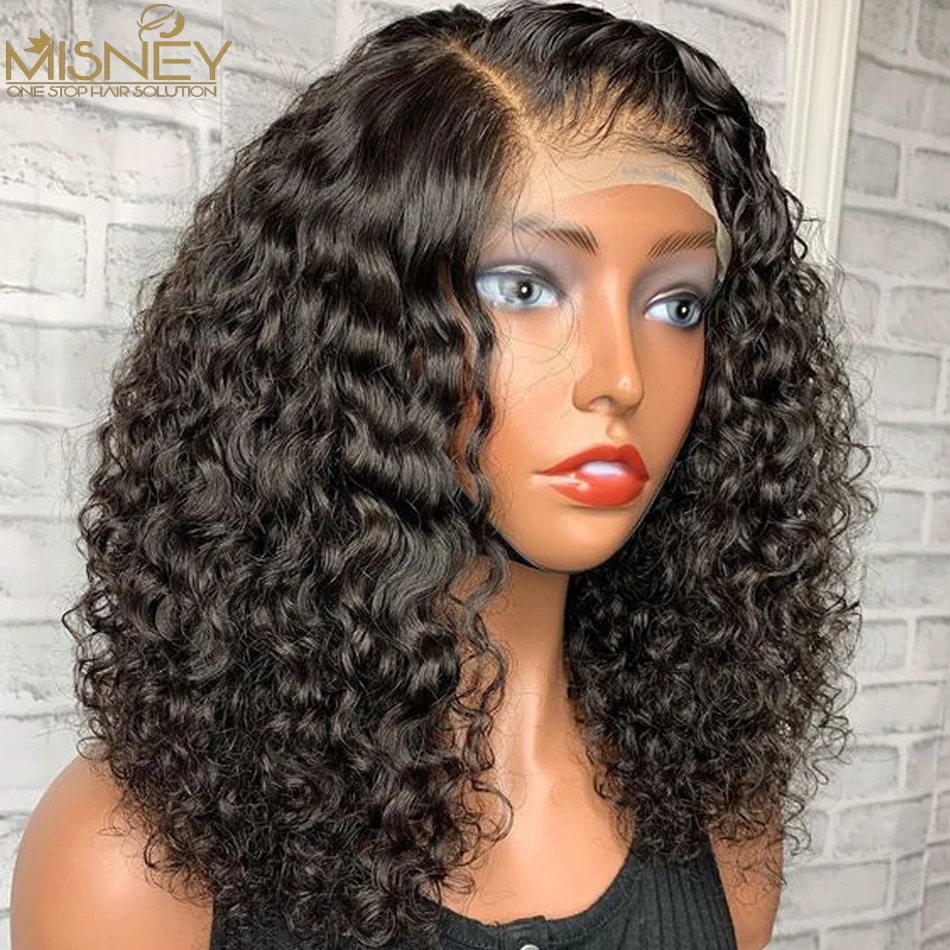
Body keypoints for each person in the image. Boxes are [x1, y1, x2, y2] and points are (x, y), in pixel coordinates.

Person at [11, 2, 876, 949]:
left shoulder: (723, 817)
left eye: (677, 304)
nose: (622, 377)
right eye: (526, 288)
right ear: (360, 334)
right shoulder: (135, 865)